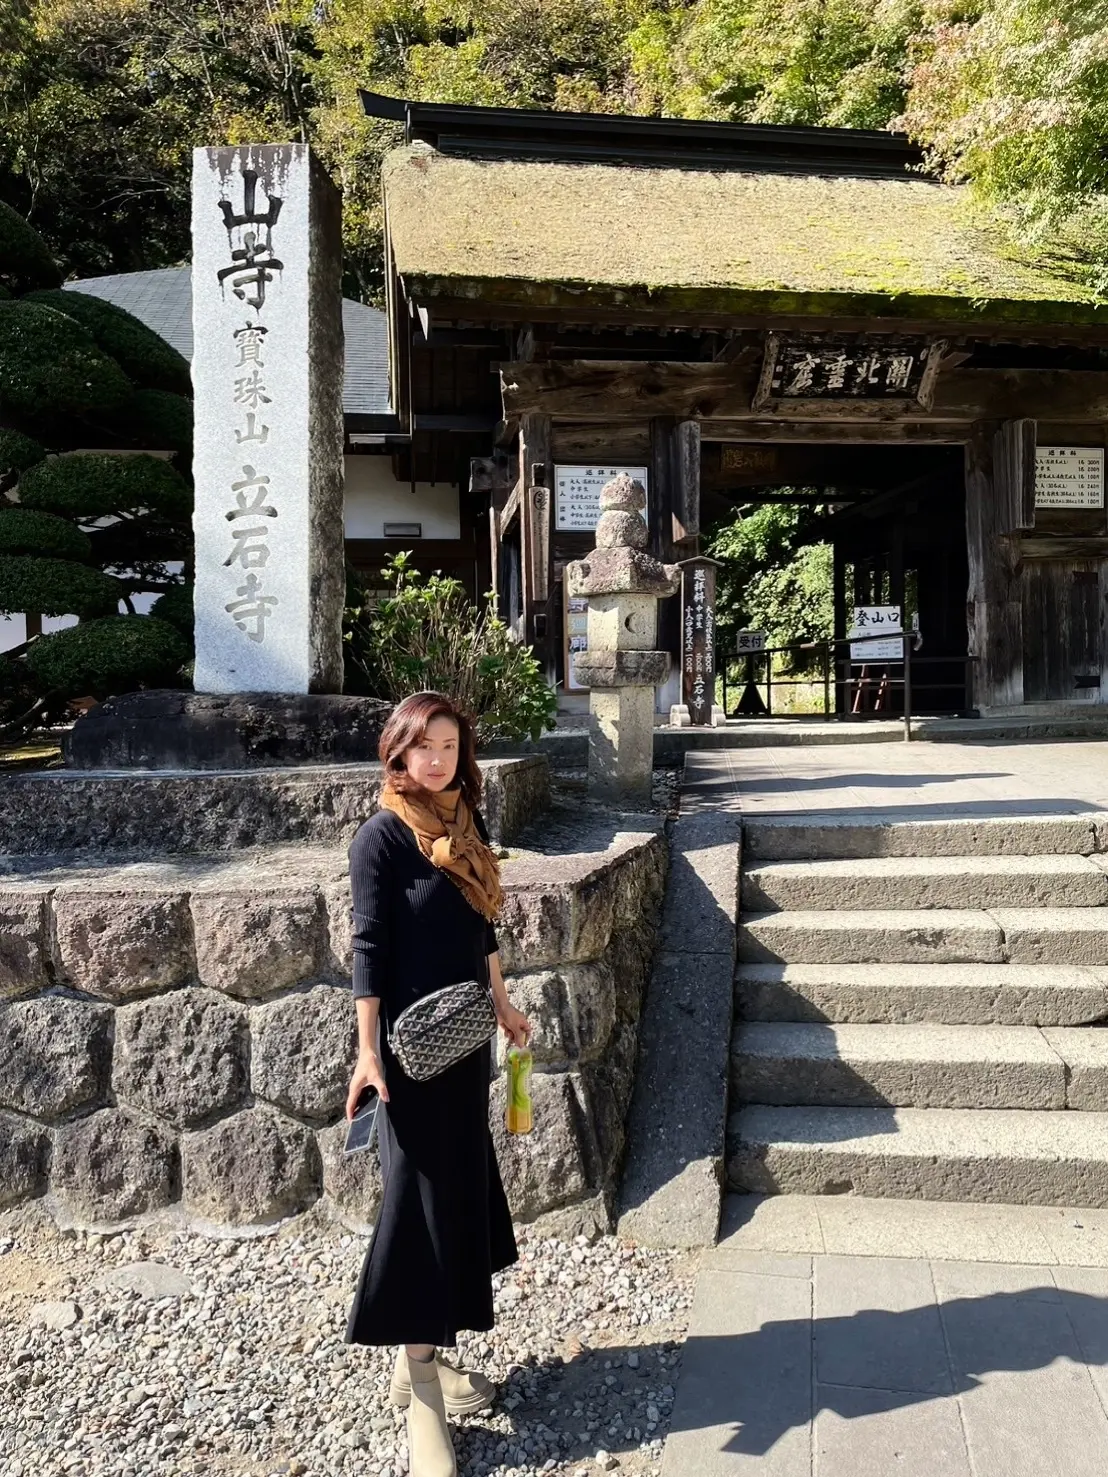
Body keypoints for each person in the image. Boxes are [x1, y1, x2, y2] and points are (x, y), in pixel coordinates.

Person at [343, 690, 531, 1477]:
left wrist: (503, 1003)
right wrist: (365, 1052)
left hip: (463, 1044)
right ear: (399, 749)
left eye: (451, 747)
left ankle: (417, 1361)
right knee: (416, 1207)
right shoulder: (380, 838)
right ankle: (424, 1390)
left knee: (452, 1193)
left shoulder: (465, 822)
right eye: (425, 746)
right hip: (407, 1059)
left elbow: (481, 924)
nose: (438, 760)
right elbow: (368, 948)